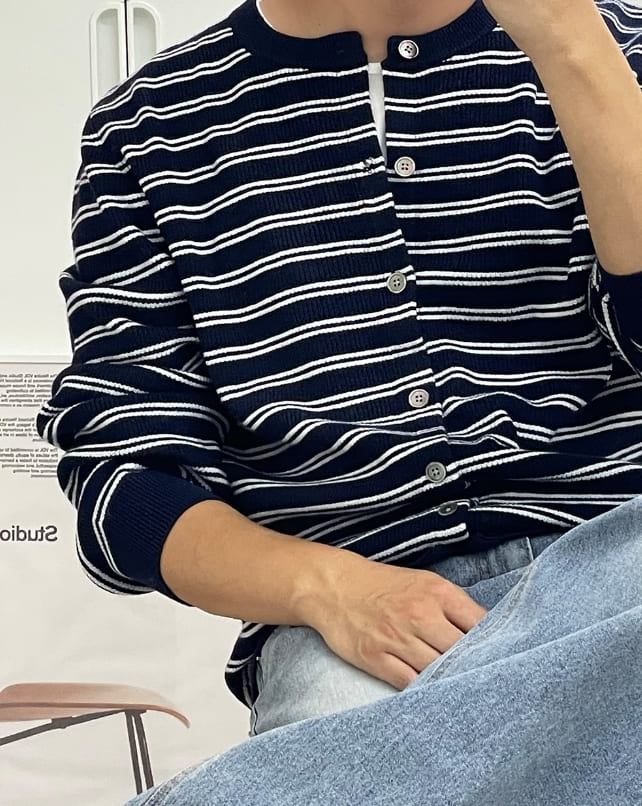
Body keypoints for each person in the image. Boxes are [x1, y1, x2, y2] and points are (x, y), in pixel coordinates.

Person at [36, 0, 642, 802]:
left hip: (617, 562)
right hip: (351, 621)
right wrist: (327, 589)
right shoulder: (150, 125)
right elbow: (128, 483)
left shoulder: (615, 44)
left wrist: (571, 49)